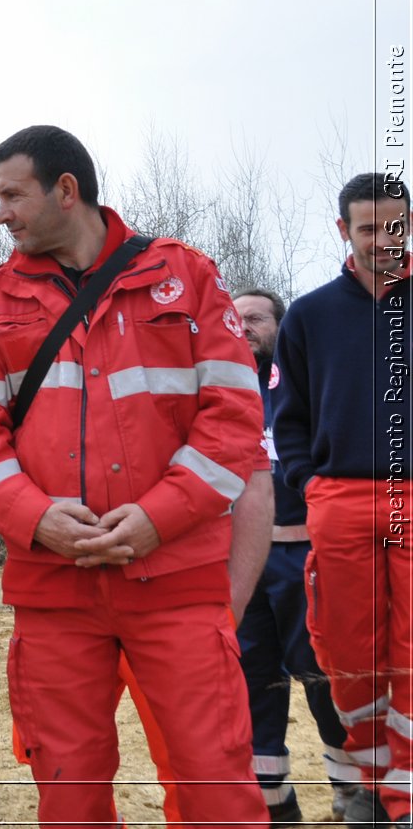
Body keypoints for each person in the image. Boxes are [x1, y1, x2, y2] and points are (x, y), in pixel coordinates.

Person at [0, 124, 267, 826]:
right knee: (67, 792)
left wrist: (160, 515)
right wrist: (37, 519)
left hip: (176, 583)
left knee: (217, 783)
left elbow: (234, 414)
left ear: (67, 190)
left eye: (12, 194)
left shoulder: (186, 274)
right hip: (53, 591)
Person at [274, 172, 412, 827]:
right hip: (339, 499)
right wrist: (308, 483)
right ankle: (369, 782)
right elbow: (289, 416)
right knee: (348, 651)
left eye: (397, 227)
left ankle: (405, 794)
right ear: (343, 231)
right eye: (369, 229)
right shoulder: (308, 315)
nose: (385, 240)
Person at [231, 285, 357, 824]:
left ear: (281, 326)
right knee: (252, 687)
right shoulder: (221, 392)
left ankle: (355, 801)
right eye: (235, 320)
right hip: (239, 566)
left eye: (256, 318)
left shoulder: (308, 382)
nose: (245, 328)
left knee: (326, 681)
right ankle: (275, 811)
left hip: (309, 557)